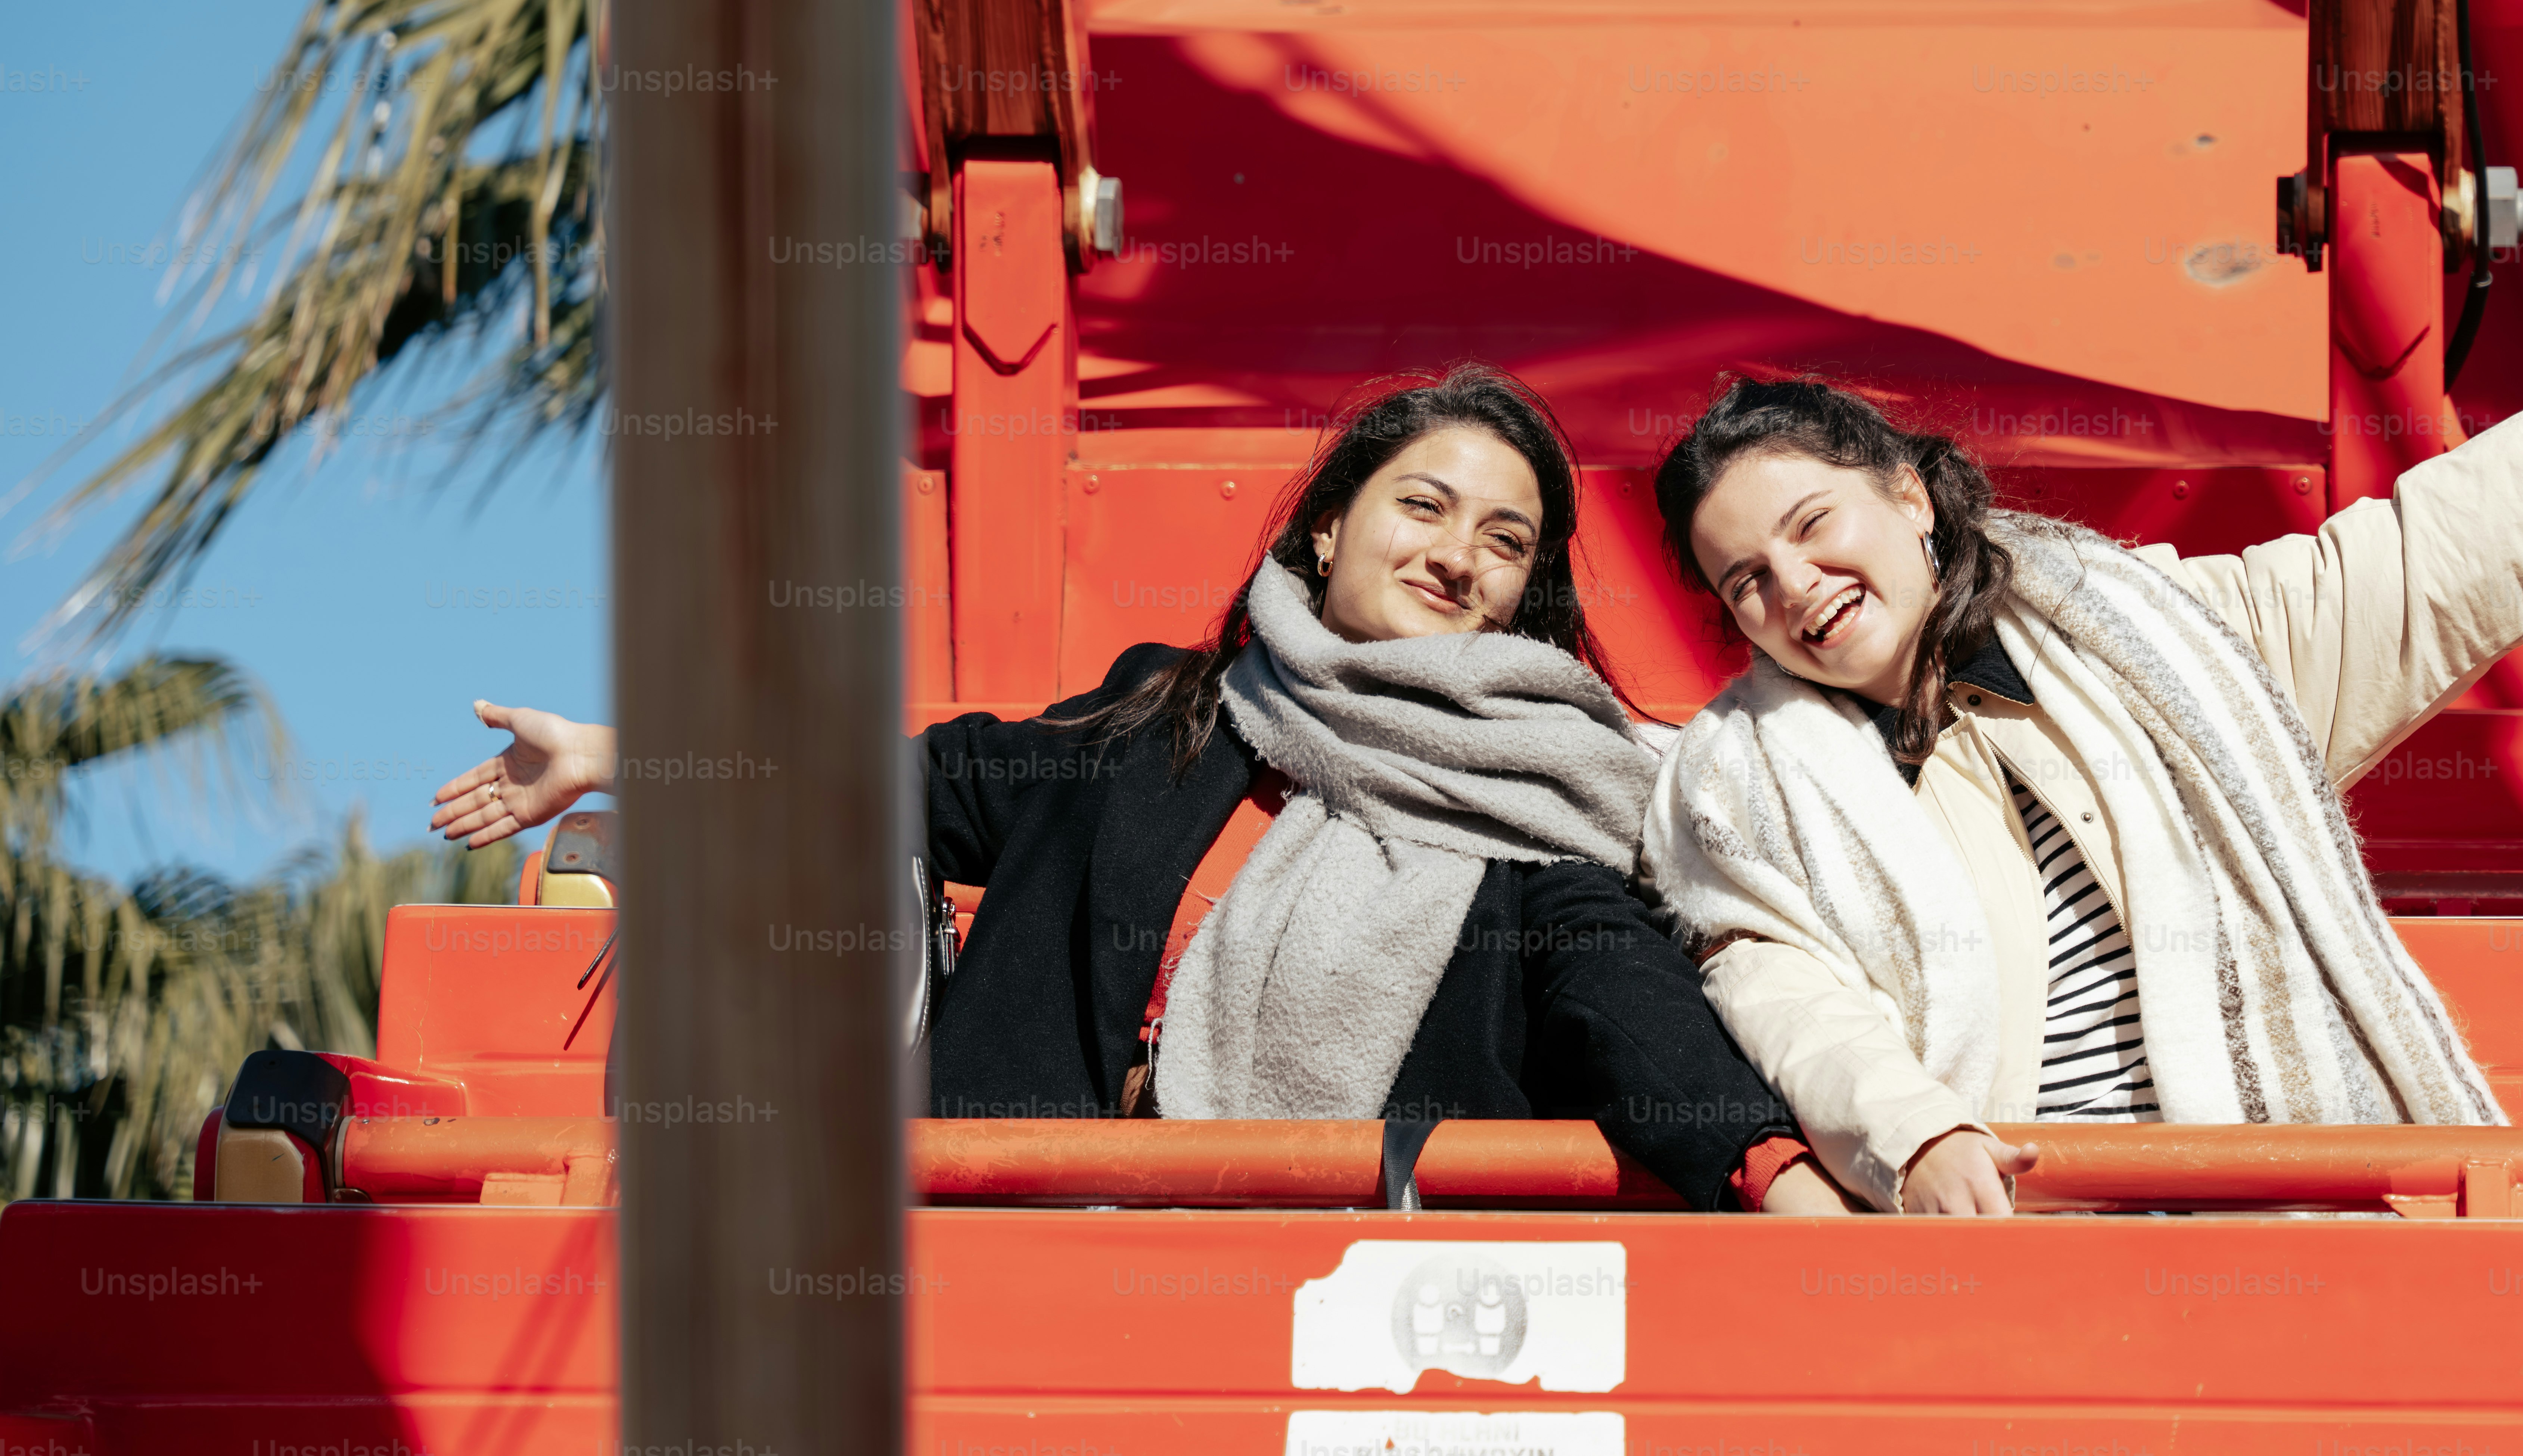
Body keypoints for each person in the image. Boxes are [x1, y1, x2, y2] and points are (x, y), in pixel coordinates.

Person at [1643, 259, 2523, 1216]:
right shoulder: (1744, 783)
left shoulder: (2161, 633)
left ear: (1909, 495)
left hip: (2283, 1214)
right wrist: (1911, 1133)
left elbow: (2433, 555)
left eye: (1815, 524)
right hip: (2015, 1237)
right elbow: (1780, 989)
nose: (1795, 582)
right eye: (1746, 579)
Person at [436, 365, 1839, 1214]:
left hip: (1339, 1312)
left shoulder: (1536, 802)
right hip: (1005, 1265)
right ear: (1330, 521)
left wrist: (1768, 1162)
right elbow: (901, 778)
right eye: (1422, 504)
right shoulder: (1157, 721)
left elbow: (1619, 992)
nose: (1457, 552)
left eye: (1505, 540)